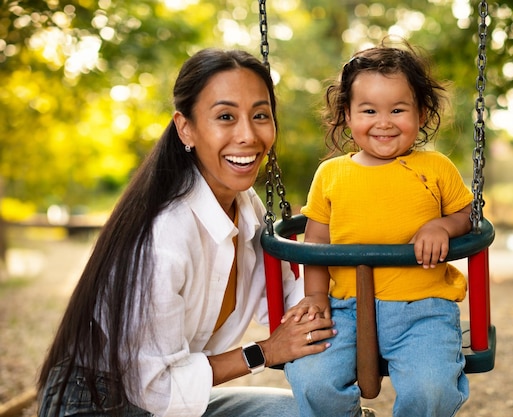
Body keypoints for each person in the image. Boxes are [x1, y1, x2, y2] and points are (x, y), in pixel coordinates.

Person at [36, 48, 337, 417]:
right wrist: (267, 351)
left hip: (172, 404)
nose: (248, 135)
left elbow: (290, 302)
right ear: (186, 128)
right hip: (97, 404)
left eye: (260, 115)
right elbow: (158, 389)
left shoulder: (245, 206)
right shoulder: (164, 234)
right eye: (225, 116)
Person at [283, 38, 473, 417]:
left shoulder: (435, 168)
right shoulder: (331, 174)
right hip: (343, 308)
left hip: (423, 309)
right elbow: (316, 243)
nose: (383, 122)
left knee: (432, 387)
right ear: (348, 115)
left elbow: (467, 215)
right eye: (369, 110)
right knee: (310, 378)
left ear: (420, 113)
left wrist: (442, 226)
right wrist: (317, 298)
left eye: (398, 109)